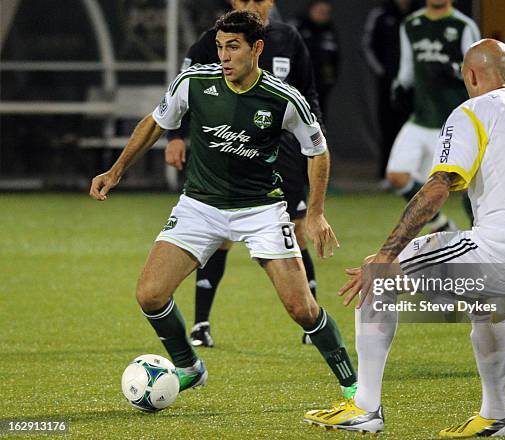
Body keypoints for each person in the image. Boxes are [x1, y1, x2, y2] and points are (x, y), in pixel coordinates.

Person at [304, 39, 505, 437]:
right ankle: (496, 417)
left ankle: (365, 407)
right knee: (484, 303)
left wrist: (388, 254)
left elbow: (438, 187)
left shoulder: (472, 111)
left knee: (377, 275)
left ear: (470, 75)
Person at [90, 10, 357, 400]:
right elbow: (154, 122)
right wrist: (115, 171)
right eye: (219, 47)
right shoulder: (195, 83)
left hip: (261, 211)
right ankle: (188, 367)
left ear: (257, 48)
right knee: (150, 294)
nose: (224, 56)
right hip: (200, 206)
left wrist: (314, 213)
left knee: (302, 309)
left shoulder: (284, 99)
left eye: (233, 47)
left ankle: (352, 386)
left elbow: (318, 151)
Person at [165, 0, 324, 348]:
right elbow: (182, 90)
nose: (254, 4)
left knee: (296, 233)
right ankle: (201, 324)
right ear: (235, 3)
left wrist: (315, 137)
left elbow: (308, 92)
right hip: (230, 150)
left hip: (284, 151)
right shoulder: (213, 41)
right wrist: (175, 136)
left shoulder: (288, 38)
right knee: (219, 235)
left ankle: (312, 320)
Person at [388, 0, 480, 229]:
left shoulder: (462, 25)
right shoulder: (411, 24)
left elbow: (478, 71)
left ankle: (480, 236)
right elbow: (407, 69)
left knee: (470, 187)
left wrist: (453, 70)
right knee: (397, 175)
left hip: (456, 121)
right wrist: (399, 87)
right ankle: (442, 225)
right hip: (421, 117)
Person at [362, 0, 415, 182]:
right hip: (387, 84)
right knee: (388, 128)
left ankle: (412, 174)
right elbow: (368, 46)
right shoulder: (381, 15)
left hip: (415, 87)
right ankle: (386, 173)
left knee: (412, 129)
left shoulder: (418, 16)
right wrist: (384, 73)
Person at [291, 0, 340, 119]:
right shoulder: (296, 26)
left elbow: (335, 59)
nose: (323, 15)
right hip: (295, 86)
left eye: (326, 12)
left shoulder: (329, 31)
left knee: (317, 120)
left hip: (319, 88)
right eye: (320, 11)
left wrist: (329, 81)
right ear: (311, 9)